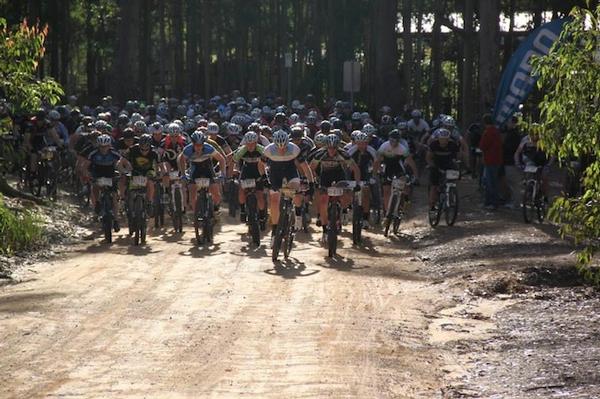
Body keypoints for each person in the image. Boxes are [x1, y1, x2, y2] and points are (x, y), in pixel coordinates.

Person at [263, 130, 314, 242]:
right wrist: (264, 178)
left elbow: (305, 168)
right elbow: (261, 164)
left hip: (290, 172)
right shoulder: (268, 150)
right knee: (274, 201)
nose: (281, 150)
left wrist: (311, 183)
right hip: (275, 174)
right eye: (278, 148)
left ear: (288, 143)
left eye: (284, 147)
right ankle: (275, 230)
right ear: (274, 145)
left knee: (295, 189)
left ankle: (297, 211)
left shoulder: (295, 149)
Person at [310, 134, 361, 241]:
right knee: (323, 200)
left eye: (334, 148)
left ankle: (343, 210)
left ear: (338, 147)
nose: (332, 151)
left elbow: (355, 169)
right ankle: (324, 230)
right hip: (325, 176)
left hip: (339, 175)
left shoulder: (344, 154)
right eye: (329, 148)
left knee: (345, 196)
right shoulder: (320, 154)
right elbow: (311, 168)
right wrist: (314, 180)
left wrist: (357, 184)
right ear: (326, 147)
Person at [178, 131, 226, 215]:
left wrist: (222, 174)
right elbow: (182, 161)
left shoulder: (209, 148)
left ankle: (215, 208)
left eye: (200, 145)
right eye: (196, 145)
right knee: (192, 191)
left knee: (216, 193)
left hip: (207, 167)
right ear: (192, 143)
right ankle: (196, 213)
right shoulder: (187, 149)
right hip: (194, 167)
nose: (198, 147)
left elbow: (221, 159)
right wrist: (183, 174)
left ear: (204, 143)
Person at [87, 134, 124, 232]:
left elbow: (120, 164)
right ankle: (98, 203)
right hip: (97, 173)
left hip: (110, 174)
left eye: (106, 146)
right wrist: (88, 175)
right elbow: (86, 166)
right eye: (102, 147)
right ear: (98, 146)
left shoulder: (114, 154)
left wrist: (121, 173)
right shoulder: (93, 154)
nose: (104, 149)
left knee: (115, 196)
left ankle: (116, 220)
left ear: (109, 146)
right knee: (94, 187)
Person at [233, 131, 267, 226]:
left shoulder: (261, 149)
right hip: (246, 171)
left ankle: (262, 216)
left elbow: (269, 160)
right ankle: (243, 210)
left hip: (258, 171)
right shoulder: (242, 150)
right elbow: (234, 160)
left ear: (256, 143)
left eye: (252, 144)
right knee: (241, 190)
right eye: (248, 144)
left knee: (260, 195)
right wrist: (234, 171)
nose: (250, 146)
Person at [426, 128, 460, 211]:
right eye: (442, 139)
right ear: (438, 138)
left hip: (448, 164)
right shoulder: (433, 145)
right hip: (436, 165)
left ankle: (451, 192)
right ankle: (432, 205)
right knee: (434, 186)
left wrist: (457, 163)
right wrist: (432, 165)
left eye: (446, 139)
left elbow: (458, 156)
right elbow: (428, 158)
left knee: (453, 177)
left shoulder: (453, 145)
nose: (444, 141)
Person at [479, 114, 503, 210]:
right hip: (497, 160)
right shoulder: (496, 131)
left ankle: (492, 203)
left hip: (490, 160)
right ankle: (489, 201)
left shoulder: (488, 132)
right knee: (491, 181)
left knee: (490, 182)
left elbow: (483, 145)